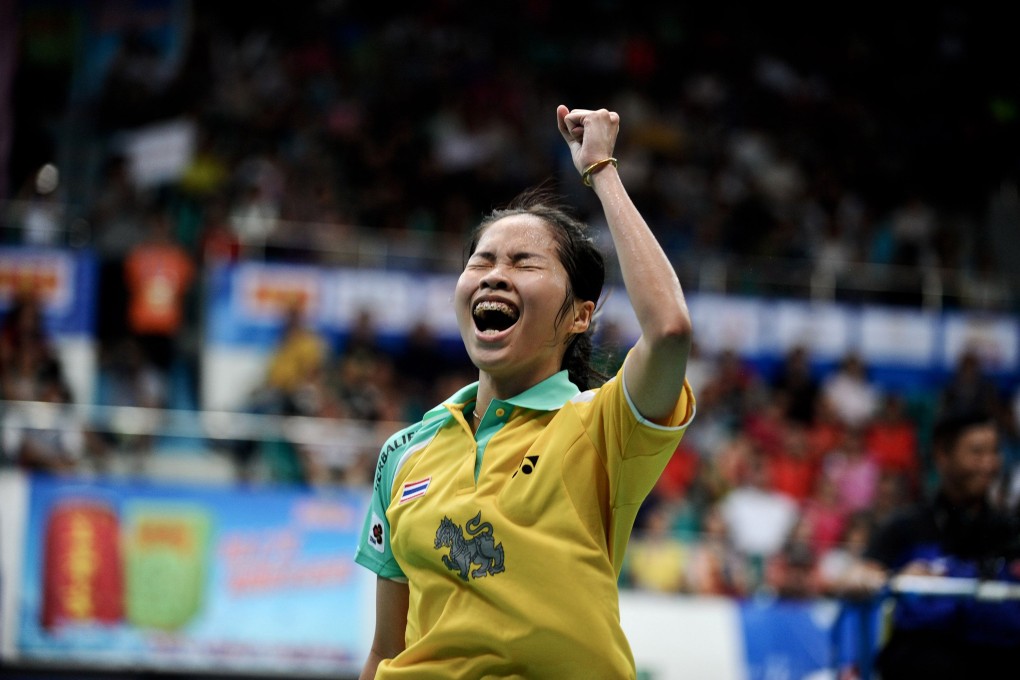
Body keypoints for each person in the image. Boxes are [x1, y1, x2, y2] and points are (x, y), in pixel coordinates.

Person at [353, 105, 695, 679]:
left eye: (523, 263)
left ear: (579, 316)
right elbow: (386, 648)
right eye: (482, 260)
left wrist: (602, 171)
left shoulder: (601, 427)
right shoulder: (405, 451)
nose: (494, 274)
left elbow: (669, 331)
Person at [850, 409, 1020, 678]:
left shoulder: (1011, 530)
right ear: (942, 455)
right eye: (976, 452)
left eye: (994, 452)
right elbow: (859, 575)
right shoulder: (906, 525)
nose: (989, 464)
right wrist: (896, 580)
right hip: (922, 665)